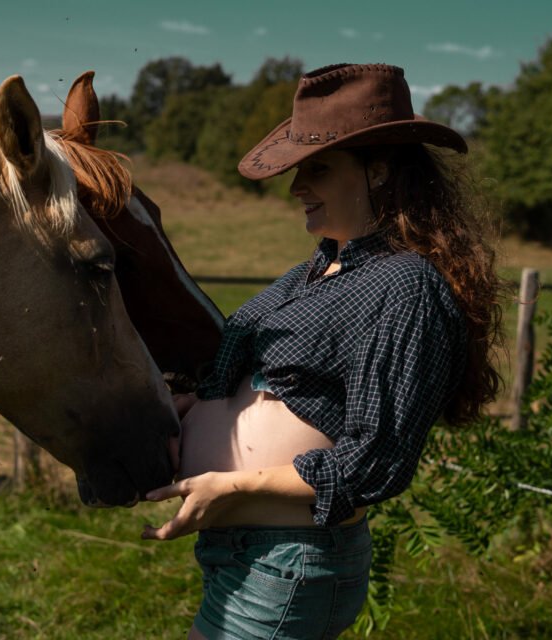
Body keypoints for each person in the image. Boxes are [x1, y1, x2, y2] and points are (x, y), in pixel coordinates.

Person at [142, 63, 505, 640]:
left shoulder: (405, 284)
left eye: (318, 169)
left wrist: (232, 485)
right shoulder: (309, 273)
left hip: (290, 560)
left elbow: (376, 460)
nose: (295, 189)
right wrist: (201, 406)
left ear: (379, 171)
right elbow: (271, 384)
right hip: (249, 553)